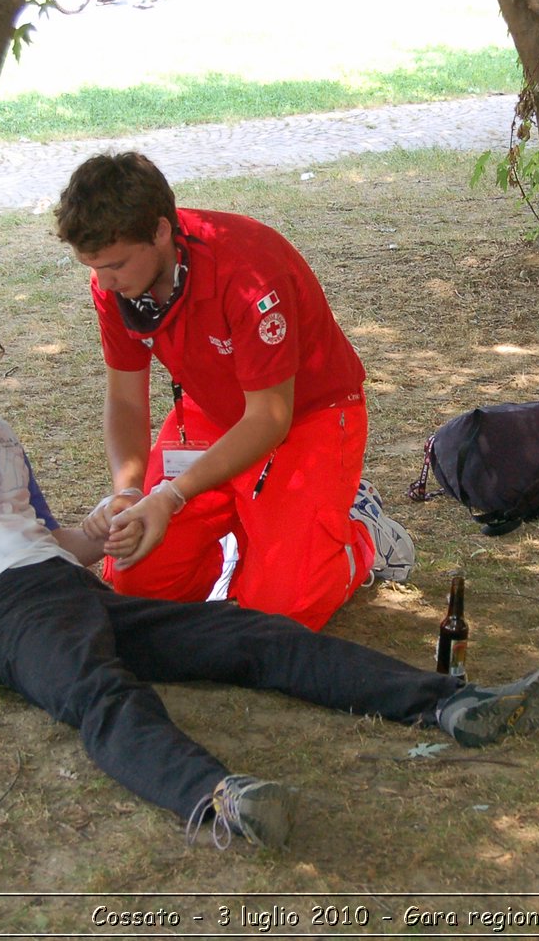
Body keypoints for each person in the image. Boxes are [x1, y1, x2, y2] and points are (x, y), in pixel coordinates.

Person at [0, 278, 539, 849]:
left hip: (61, 584)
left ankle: (451, 703)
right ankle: (221, 798)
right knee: (100, 692)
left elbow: (44, 539)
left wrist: (105, 532)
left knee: (251, 633)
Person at [55, 152, 413, 632]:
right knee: (133, 577)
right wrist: (130, 492)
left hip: (306, 416)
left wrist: (172, 496)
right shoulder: (114, 282)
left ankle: (361, 531)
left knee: (280, 613)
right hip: (211, 412)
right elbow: (124, 398)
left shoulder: (248, 272)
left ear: (161, 231)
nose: (104, 282)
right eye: (93, 268)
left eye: (114, 265)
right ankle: (257, 524)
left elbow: (270, 417)